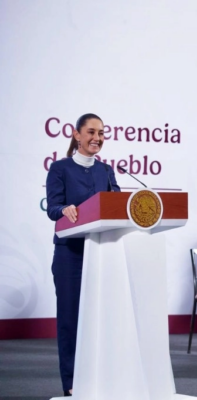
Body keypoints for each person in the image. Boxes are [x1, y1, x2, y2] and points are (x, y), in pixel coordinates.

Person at [46, 113, 120, 396]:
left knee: (100, 320)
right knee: (70, 321)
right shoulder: (60, 168)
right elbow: (53, 208)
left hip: (101, 254)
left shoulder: (106, 171)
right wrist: (64, 210)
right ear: (77, 135)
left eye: (101, 133)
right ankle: (72, 385)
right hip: (70, 256)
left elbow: (117, 206)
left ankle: (100, 379)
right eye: (91, 132)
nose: (97, 138)